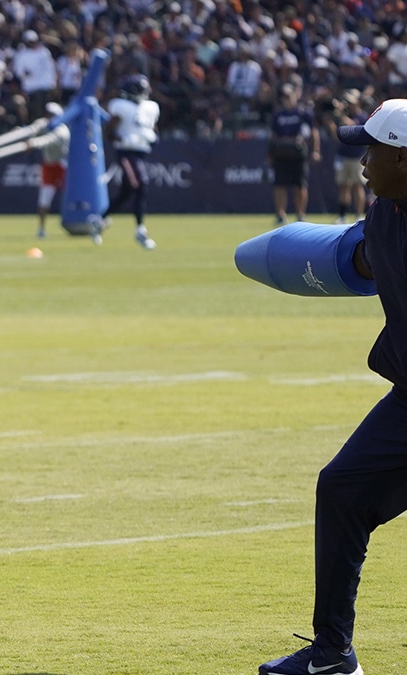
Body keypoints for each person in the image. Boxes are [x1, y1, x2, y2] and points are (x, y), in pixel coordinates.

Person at [255, 98, 407, 675]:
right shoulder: (385, 211)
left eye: (373, 150)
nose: (363, 161)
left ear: (404, 157)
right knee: (342, 489)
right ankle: (332, 656)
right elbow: (367, 259)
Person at [101, 74, 159, 249]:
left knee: (126, 192)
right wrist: (122, 139)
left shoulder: (150, 107)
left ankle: (99, 219)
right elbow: (109, 132)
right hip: (127, 153)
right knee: (140, 184)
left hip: (141, 152)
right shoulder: (121, 106)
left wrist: (151, 135)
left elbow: (152, 127)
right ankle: (141, 231)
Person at [268, 82, 321, 225]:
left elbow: (313, 132)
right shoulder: (278, 114)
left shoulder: (304, 113)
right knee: (280, 185)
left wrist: (316, 150)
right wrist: (270, 153)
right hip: (281, 153)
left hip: (298, 154)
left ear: (295, 95)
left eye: (288, 95)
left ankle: (300, 214)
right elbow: (272, 135)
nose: (286, 99)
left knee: (300, 185)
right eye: (283, 96)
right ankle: (280, 214)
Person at [28, 102, 71, 240]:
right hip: (49, 165)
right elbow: (33, 129)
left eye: (51, 115)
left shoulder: (62, 130)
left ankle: (75, 223)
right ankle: (41, 228)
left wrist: (33, 143)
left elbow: (48, 140)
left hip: (62, 166)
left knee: (70, 197)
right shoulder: (45, 124)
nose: (48, 117)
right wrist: (21, 132)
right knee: (44, 199)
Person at [330, 90, 369, 224]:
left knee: (358, 185)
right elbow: (337, 136)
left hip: (357, 156)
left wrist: (342, 117)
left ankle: (359, 214)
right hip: (343, 155)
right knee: (343, 186)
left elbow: (354, 129)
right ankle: (342, 215)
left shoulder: (363, 116)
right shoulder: (343, 116)